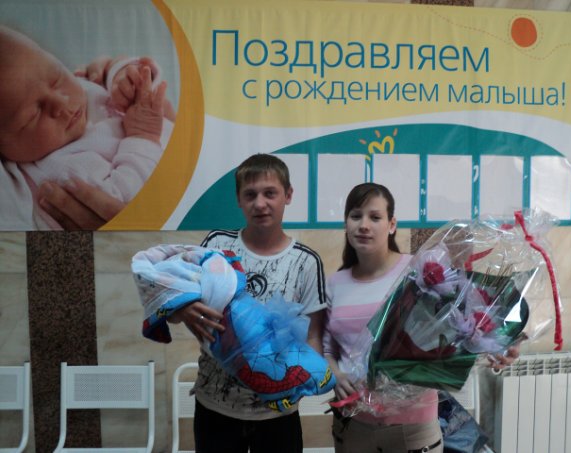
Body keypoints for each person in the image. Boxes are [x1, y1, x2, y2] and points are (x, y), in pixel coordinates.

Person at [323, 182, 519, 453]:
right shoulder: (335, 283)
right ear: (346, 223)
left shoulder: (418, 270)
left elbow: (462, 322)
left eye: (375, 217)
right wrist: (336, 375)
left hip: (413, 431)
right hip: (354, 428)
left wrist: (496, 343)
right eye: (356, 216)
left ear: (392, 225)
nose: (364, 225)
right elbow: (327, 350)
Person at [168, 153, 327, 453]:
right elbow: (172, 309)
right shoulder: (216, 245)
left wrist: (306, 379)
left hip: (278, 414)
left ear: (288, 195)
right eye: (250, 195)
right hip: (215, 407)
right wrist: (183, 308)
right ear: (239, 200)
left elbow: (314, 336)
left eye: (270, 193)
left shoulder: (306, 262)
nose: (260, 203)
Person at [0, 25, 175, 230]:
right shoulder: (62, 170)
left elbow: (146, 82)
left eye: (57, 78)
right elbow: (123, 202)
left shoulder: (81, 86)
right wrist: (143, 136)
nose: (62, 102)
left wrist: (121, 74)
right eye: (33, 115)